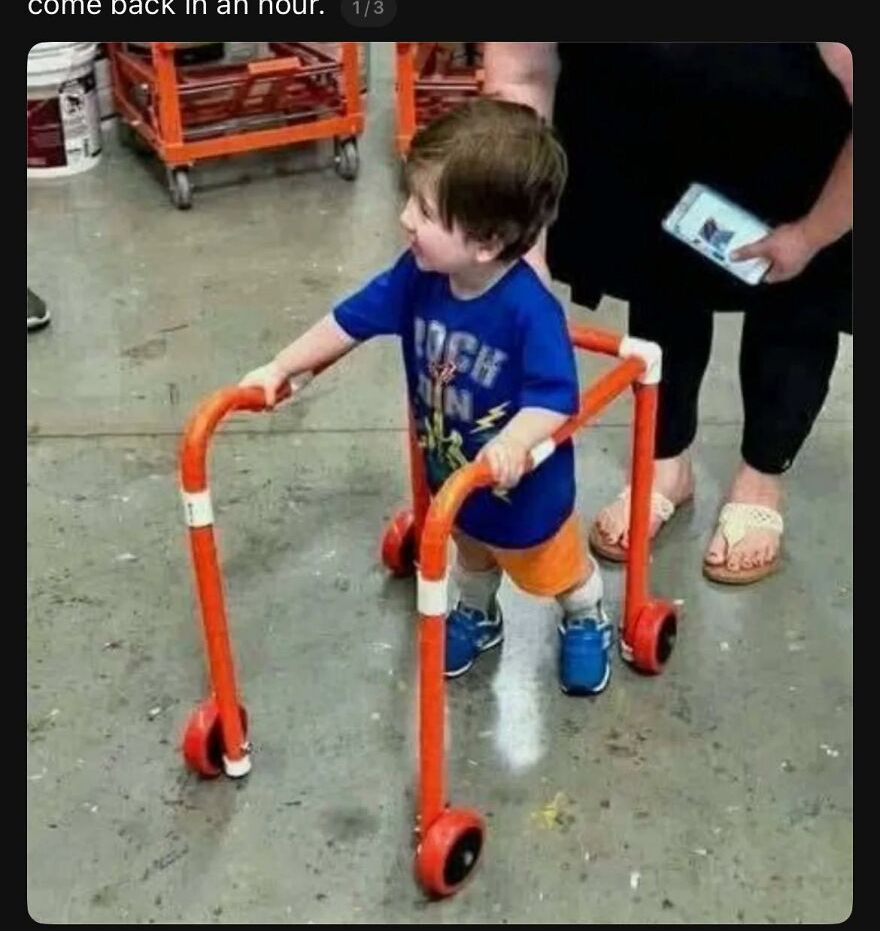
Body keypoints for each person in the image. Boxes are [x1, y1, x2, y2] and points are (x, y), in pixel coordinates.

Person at [240, 97, 612, 694]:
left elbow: (555, 398)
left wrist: (515, 443)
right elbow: (350, 319)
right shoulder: (419, 277)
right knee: (471, 554)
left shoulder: (529, 311)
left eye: (426, 210)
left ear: (486, 242)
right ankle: (480, 613)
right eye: (410, 200)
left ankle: (586, 615)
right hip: (452, 474)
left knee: (554, 571)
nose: (405, 218)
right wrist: (282, 366)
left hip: (523, 493)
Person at [484, 43, 852, 586]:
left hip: (803, 141)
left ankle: (763, 474)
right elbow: (521, 76)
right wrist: (526, 249)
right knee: (658, 278)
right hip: (651, 131)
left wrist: (810, 235)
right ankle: (665, 462)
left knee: (797, 301)